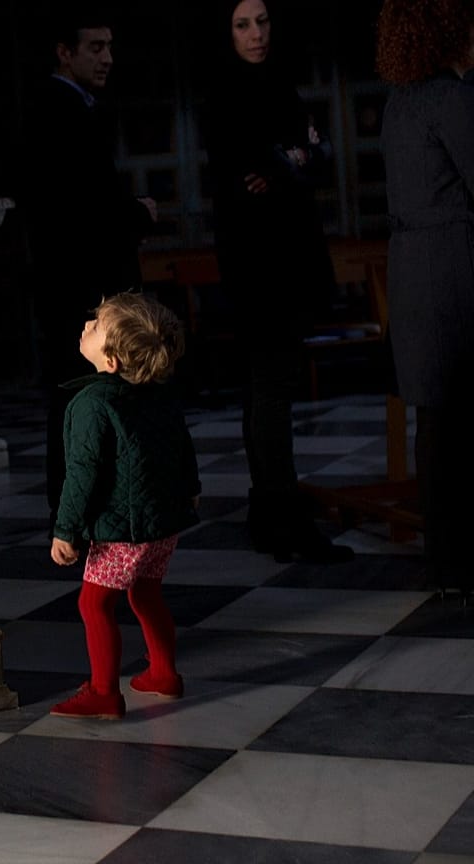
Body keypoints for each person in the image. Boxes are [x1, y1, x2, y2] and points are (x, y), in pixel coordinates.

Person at [201, 0, 351, 562]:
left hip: (286, 257)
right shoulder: (224, 96)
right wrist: (293, 158)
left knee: (275, 386)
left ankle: (274, 508)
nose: (257, 33)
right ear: (226, 32)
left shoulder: (280, 87)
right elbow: (253, 173)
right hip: (256, 263)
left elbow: (319, 157)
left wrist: (290, 161)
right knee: (269, 386)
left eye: (262, 21)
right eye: (242, 24)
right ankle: (278, 514)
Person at [16, 7, 157, 525]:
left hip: (80, 285)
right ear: (64, 51)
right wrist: (137, 213)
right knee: (79, 402)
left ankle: (86, 511)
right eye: (95, 47)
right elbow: (77, 207)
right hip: (77, 289)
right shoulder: (57, 108)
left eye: (110, 47)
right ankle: (74, 516)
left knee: (91, 402)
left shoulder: (76, 105)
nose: (107, 58)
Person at [49, 293, 200, 720]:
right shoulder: (160, 393)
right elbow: (183, 447)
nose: (86, 326)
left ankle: (103, 693)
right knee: (146, 594)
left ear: (112, 360)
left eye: (95, 326)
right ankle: (164, 673)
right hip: (163, 522)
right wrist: (191, 490)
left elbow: (82, 473)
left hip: (123, 530)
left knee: (93, 605)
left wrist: (67, 530)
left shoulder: (93, 403)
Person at [376, 0, 474, 601]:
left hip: (413, 268)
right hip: (455, 265)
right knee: (460, 421)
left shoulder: (398, 100)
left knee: (437, 423)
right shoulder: (452, 98)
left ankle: (447, 566)